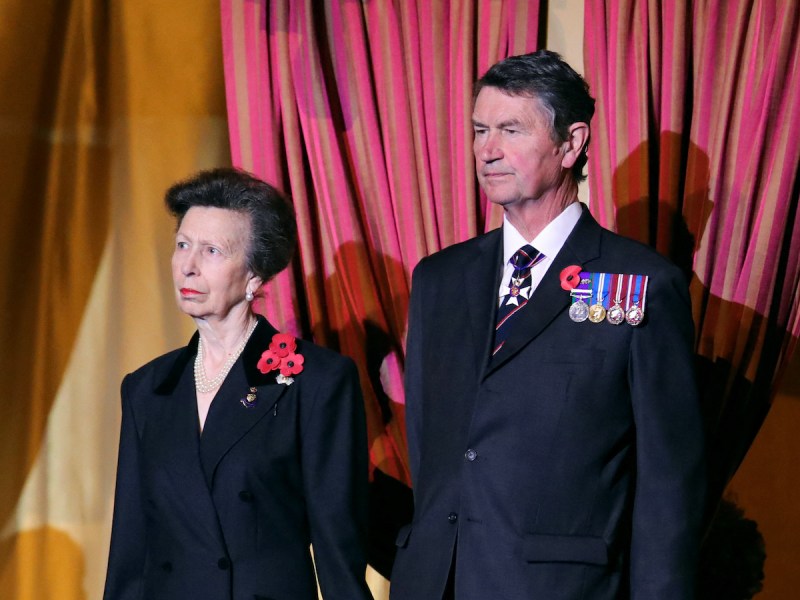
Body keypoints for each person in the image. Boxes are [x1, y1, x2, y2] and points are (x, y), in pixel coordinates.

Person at [390, 50, 706, 599]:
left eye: (511, 130)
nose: (488, 150)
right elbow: (428, 441)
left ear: (571, 142)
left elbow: (668, 482)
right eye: (480, 129)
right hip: (435, 582)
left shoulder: (643, 283)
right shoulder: (439, 278)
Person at [103, 168, 373, 600]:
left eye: (211, 251)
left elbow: (337, 543)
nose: (187, 266)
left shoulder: (316, 380)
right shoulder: (148, 388)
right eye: (182, 245)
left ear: (254, 276)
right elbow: (131, 548)